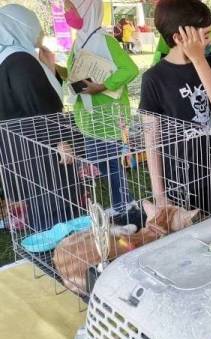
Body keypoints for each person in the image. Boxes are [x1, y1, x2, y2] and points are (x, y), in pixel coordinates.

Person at [0, 4, 83, 231]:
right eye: (36, 27)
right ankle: (69, 256)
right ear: (21, 27)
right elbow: (41, 107)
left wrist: (48, 68)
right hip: (44, 151)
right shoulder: (20, 61)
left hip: (18, 150)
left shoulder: (6, 57)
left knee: (41, 209)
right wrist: (62, 141)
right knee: (60, 211)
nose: (41, 33)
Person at [140, 0, 211, 213]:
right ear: (179, 38)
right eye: (204, 35)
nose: (209, 41)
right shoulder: (154, 79)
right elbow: (152, 139)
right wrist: (159, 196)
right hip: (182, 181)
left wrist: (199, 60)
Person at [65, 0, 139, 215]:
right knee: (100, 159)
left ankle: (123, 205)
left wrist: (103, 86)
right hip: (88, 116)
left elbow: (130, 69)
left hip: (107, 115)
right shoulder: (79, 41)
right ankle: (124, 202)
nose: (68, 14)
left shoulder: (105, 41)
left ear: (88, 9)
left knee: (111, 163)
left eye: (71, 9)